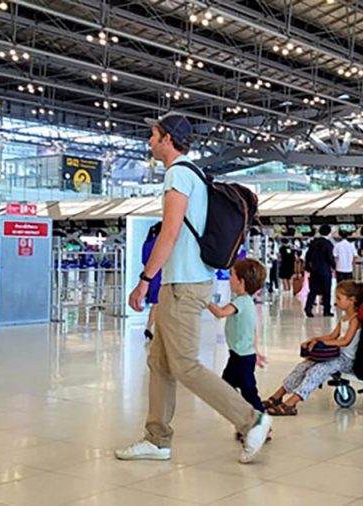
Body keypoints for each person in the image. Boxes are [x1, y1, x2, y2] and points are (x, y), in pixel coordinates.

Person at [116, 113, 272, 465]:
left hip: (183, 285)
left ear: (167, 139)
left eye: (153, 135)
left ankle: (252, 420)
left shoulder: (178, 174)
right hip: (185, 281)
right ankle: (157, 439)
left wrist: (144, 280)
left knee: (185, 365)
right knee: (159, 362)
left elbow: (170, 232)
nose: (149, 141)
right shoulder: (195, 174)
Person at [262, 280, 363, 415]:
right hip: (336, 355)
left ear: (351, 300)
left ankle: (291, 403)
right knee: (302, 367)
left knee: (316, 371)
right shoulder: (344, 318)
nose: (336, 301)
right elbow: (332, 336)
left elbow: (345, 341)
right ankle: (278, 395)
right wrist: (315, 339)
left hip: (346, 360)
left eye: (339, 298)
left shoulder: (355, 320)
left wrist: (323, 344)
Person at [208, 259, 270, 440]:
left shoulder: (241, 302)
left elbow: (220, 313)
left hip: (241, 359)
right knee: (228, 389)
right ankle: (247, 422)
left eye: (232, 275)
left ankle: (260, 426)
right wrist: (256, 351)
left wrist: (204, 300)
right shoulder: (247, 302)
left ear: (241, 282)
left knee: (248, 392)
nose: (229, 278)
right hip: (240, 355)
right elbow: (253, 329)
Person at [304, 225, 336, 318]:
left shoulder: (314, 243)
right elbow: (330, 258)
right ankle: (326, 310)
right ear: (329, 233)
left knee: (313, 290)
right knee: (326, 291)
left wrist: (308, 268)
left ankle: (308, 308)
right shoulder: (328, 244)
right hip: (325, 270)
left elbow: (307, 256)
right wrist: (334, 266)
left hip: (314, 270)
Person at [141, 222, 162, 340]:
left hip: (151, 277)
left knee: (156, 304)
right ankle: (151, 328)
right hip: (160, 275)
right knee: (158, 304)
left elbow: (144, 261)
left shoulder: (147, 243)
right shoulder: (160, 243)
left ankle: (150, 327)